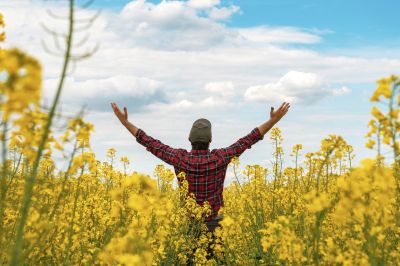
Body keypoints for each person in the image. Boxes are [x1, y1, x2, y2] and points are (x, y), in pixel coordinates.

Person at [110, 101, 290, 260]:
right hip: (216, 226)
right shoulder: (220, 158)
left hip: (190, 227)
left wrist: (124, 122)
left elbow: (149, 142)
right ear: (210, 140)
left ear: (189, 139)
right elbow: (248, 140)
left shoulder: (179, 158)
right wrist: (273, 121)